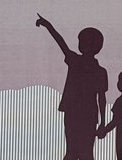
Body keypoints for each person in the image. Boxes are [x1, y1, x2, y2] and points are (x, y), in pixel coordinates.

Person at [36, 13, 108, 160]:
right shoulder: (94, 68)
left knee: (77, 152)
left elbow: (102, 98)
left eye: (83, 41)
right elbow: (101, 98)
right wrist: (102, 122)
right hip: (81, 113)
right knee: (78, 152)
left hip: (80, 113)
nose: (81, 43)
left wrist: (103, 123)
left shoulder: (77, 62)